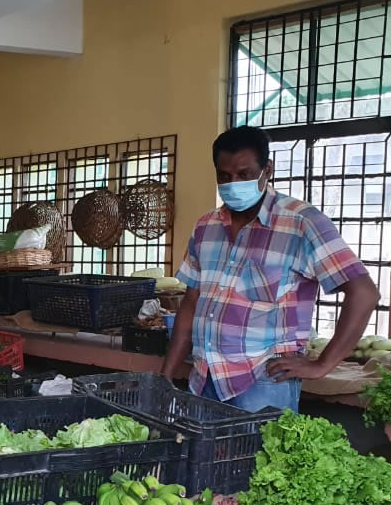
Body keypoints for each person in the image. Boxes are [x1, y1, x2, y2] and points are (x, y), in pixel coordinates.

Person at [160, 126, 379, 413]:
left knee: (261, 458)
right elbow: (191, 304)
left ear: (268, 170)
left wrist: (322, 364)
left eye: (245, 174)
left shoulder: (301, 223)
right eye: (224, 176)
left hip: (264, 383)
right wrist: (164, 378)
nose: (233, 183)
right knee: (203, 458)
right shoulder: (206, 227)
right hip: (204, 379)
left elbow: (364, 294)